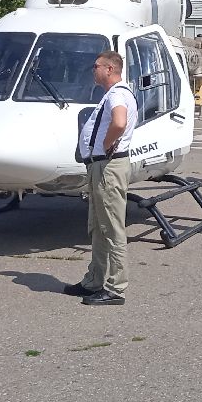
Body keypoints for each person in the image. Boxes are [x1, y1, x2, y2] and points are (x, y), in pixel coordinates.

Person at [65, 51, 138, 307]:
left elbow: (119, 122)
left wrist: (106, 145)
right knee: (98, 225)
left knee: (112, 228)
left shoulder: (117, 93)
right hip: (102, 166)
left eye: (96, 66)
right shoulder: (112, 94)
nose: (92, 70)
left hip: (109, 167)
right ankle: (94, 280)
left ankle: (115, 288)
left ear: (109, 69)